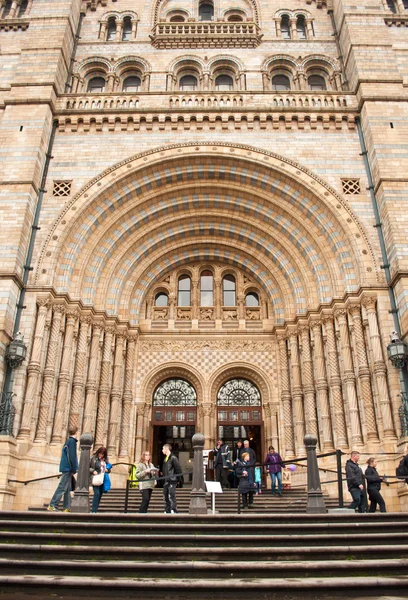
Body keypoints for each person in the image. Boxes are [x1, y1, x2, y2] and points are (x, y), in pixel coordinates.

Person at [47, 426, 78, 512]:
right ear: (76, 433)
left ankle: (67, 507)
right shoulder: (71, 442)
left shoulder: (68, 442)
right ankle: (52, 505)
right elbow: (71, 456)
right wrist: (73, 468)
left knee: (67, 488)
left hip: (66, 467)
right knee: (62, 487)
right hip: (68, 468)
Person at [162, 443, 182, 514]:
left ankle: (173, 509)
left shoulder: (173, 458)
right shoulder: (165, 459)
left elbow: (178, 469)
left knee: (171, 495)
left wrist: (179, 480)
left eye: (163, 449)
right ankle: (167, 509)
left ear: (167, 449)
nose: (162, 450)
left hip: (172, 480)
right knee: (165, 495)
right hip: (166, 480)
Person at [90, 446, 110, 513]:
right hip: (96, 478)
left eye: (103, 454)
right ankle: (93, 511)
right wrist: (93, 471)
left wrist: (108, 470)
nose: (101, 455)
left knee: (100, 495)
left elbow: (109, 469)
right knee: (97, 493)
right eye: (100, 453)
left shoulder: (105, 460)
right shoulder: (94, 458)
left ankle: (95, 509)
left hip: (103, 478)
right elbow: (87, 467)